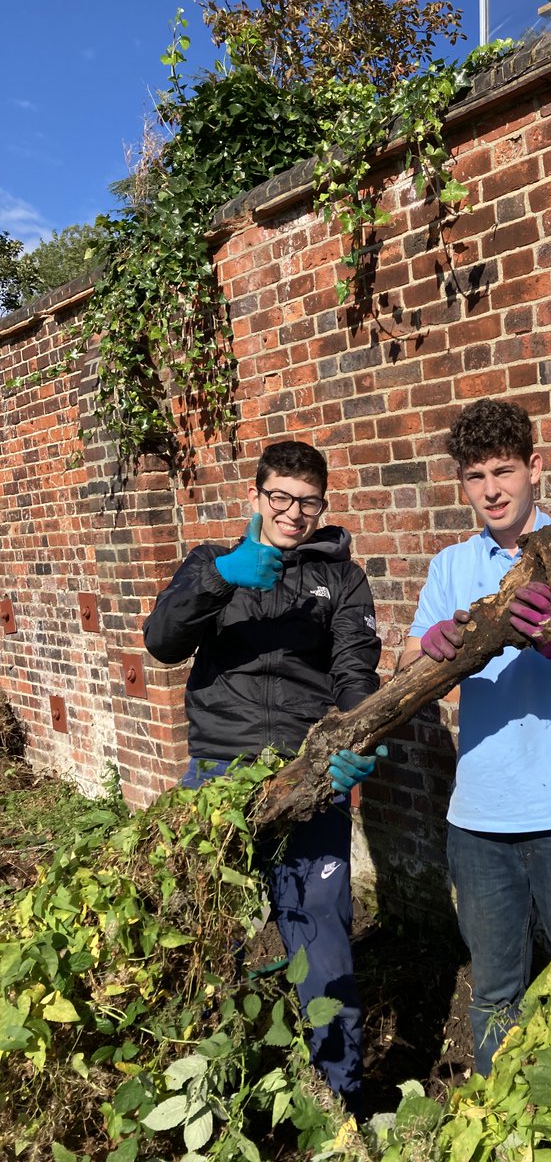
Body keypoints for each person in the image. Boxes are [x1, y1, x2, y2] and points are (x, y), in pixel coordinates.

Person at [398, 398, 551, 1075]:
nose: (492, 490)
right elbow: (405, 665)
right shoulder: (451, 565)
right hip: (480, 823)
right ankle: (506, 1130)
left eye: (504, 471)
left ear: (535, 468)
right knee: (497, 994)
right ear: (462, 484)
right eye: (476, 477)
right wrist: (432, 646)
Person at [143, 440, 384, 1118]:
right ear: (257, 497)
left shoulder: (343, 580)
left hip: (307, 774)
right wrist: (222, 577)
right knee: (202, 928)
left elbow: (354, 673)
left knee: (323, 929)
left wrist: (355, 741)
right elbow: (161, 642)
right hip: (219, 773)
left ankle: (339, 1099)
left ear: (323, 506)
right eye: (280, 497)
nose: (293, 512)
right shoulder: (210, 565)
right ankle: (207, 1094)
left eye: (308, 502)